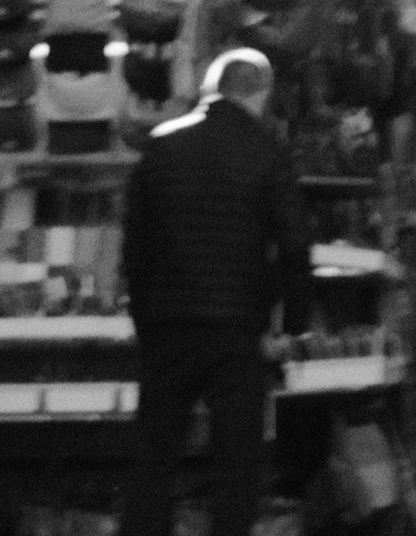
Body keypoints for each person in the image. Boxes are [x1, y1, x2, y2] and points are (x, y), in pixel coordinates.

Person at [121, 47, 311, 536]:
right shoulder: (268, 152)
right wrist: (293, 328)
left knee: (154, 459)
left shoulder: (161, 146)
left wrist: (144, 319)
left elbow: (135, 248)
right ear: (262, 94)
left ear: (213, 89)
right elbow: (294, 247)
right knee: (236, 464)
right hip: (237, 332)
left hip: (167, 326)